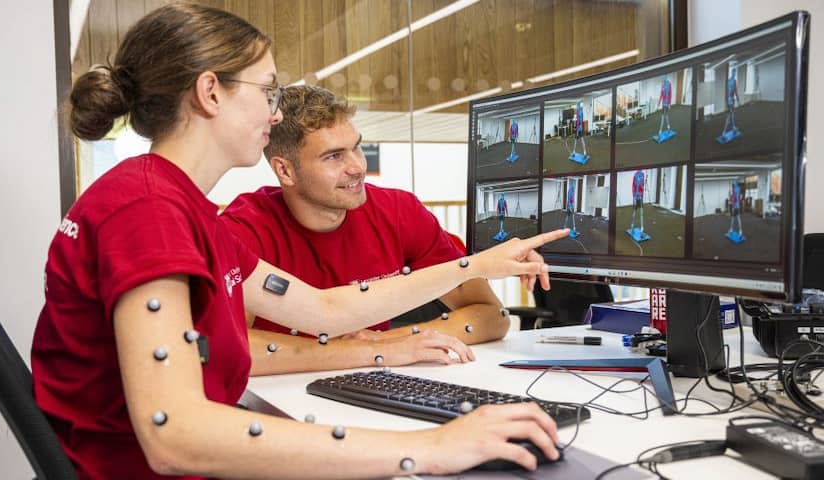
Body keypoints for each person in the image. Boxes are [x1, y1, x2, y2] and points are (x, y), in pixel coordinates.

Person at [31, 4, 568, 479]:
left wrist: (474, 265)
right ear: (210, 92)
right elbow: (176, 434)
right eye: (267, 91)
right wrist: (427, 447)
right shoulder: (148, 211)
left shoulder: (184, 209)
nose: (276, 111)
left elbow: (324, 307)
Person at [220, 86, 508, 374]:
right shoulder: (244, 229)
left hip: (371, 380)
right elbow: (231, 345)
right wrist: (371, 351)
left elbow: (493, 315)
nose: (357, 167)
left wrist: (388, 340)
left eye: (356, 147)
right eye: (334, 156)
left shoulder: (398, 211)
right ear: (285, 171)